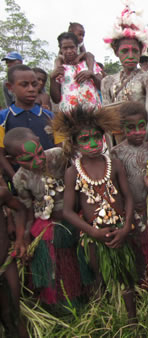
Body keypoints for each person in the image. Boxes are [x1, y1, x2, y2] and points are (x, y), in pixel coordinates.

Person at [56, 106, 137, 322]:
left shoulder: (115, 164)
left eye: (96, 137)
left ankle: (132, 321)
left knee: (126, 275)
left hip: (120, 229)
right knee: (99, 274)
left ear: (104, 137)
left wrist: (127, 226)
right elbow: (67, 211)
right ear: (74, 144)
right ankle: (107, 317)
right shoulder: (73, 172)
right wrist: (93, 232)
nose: (92, 144)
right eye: (85, 139)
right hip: (94, 236)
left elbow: (127, 197)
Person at [4, 128, 84, 307]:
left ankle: (88, 293)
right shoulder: (20, 180)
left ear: (41, 143)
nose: (38, 161)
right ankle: (62, 302)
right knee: (58, 265)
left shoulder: (57, 156)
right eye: (29, 159)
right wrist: (24, 237)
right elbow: (26, 211)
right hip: (49, 224)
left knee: (80, 259)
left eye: (39, 153)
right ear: (13, 160)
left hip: (74, 217)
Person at [102, 2, 148, 138]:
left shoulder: (147, 78)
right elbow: (106, 119)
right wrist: (112, 149)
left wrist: (142, 142)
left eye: (135, 51)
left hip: (141, 139)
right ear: (116, 52)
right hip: (118, 139)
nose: (130, 56)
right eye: (125, 51)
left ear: (141, 52)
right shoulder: (107, 82)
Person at [110, 102, 148, 278]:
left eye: (142, 126)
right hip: (131, 211)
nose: (137, 132)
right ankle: (140, 280)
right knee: (136, 247)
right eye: (131, 128)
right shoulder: (116, 153)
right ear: (122, 129)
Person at [0, 65, 59, 180]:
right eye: (24, 85)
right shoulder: (3, 118)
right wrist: (16, 180)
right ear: (10, 87)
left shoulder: (50, 116)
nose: (31, 89)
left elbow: (60, 149)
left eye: (34, 84)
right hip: (22, 185)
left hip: (52, 180)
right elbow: (1, 155)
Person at [0, 174, 26, 337]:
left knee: (13, 315)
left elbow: (20, 209)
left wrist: (20, 239)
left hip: (5, 262)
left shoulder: (1, 194)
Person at [50, 32, 102, 113]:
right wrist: (52, 79)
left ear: (77, 46)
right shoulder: (59, 68)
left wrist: (92, 75)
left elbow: (102, 87)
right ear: (60, 48)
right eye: (65, 48)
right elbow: (55, 99)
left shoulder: (88, 64)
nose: (69, 51)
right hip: (70, 116)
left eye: (72, 47)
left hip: (93, 112)